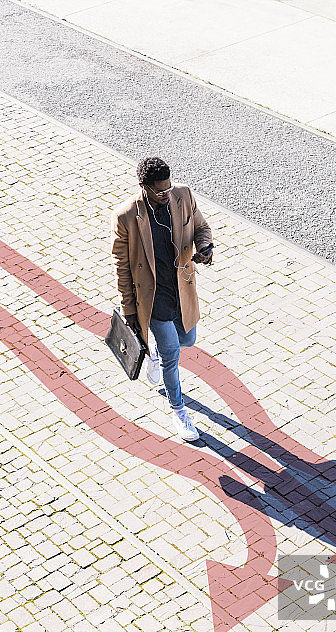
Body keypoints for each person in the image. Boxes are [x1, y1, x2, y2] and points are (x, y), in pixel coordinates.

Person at [111, 157, 214, 441]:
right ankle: (179, 411)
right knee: (173, 356)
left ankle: (155, 350)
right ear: (144, 187)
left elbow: (202, 228)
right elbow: (122, 268)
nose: (167, 194)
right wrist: (129, 311)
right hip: (153, 298)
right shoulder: (126, 217)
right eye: (160, 191)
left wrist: (205, 247)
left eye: (169, 188)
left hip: (181, 288)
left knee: (188, 340)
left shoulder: (183, 196)